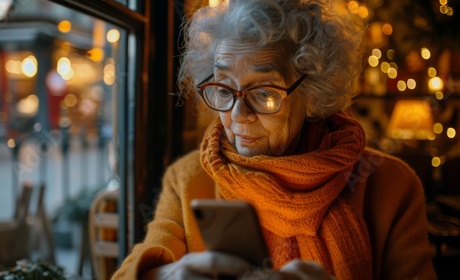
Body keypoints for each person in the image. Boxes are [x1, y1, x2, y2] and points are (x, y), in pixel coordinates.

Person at [112, 0, 436, 279]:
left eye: (264, 93)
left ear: (312, 94)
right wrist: (164, 275)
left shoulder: (390, 185)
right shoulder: (187, 179)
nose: (238, 114)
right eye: (224, 89)